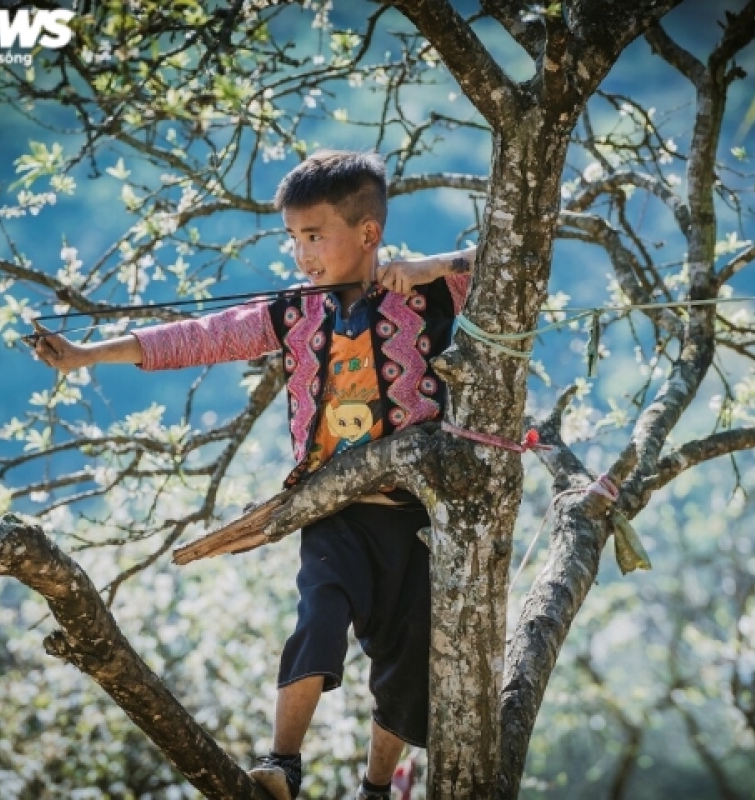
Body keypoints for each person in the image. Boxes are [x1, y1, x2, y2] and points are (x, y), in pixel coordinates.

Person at [31, 149, 474, 800]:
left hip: (418, 515)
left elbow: (518, 258)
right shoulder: (294, 313)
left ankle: (377, 789)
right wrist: (87, 355)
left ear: (369, 233)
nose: (302, 255)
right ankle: (282, 765)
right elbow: (200, 336)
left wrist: (432, 266)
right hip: (332, 508)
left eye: (315, 236)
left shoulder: (427, 291)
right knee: (318, 617)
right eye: (294, 238)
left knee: (407, 661)